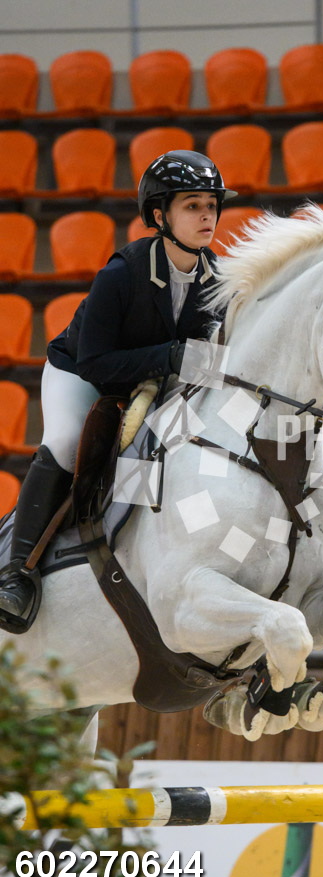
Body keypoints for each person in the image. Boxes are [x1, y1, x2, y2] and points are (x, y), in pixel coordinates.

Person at [0, 149, 237, 629]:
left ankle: (143, 555)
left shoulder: (219, 278)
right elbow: (96, 360)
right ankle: (16, 573)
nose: (207, 216)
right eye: (193, 205)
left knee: (175, 449)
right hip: (83, 375)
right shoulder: (121, 273)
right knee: (66, 442)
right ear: (159, 216)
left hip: (156, 384)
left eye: (212, 205)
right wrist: (171, 356)